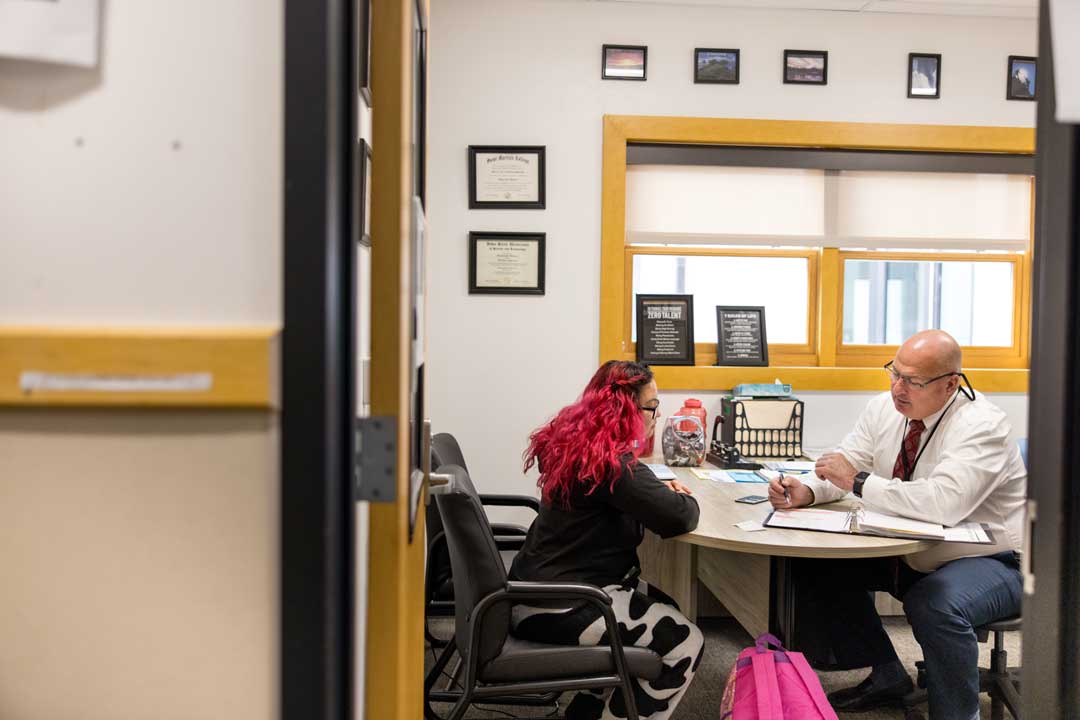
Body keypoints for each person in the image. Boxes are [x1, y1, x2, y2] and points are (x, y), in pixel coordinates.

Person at [767, 330, 1025, 720]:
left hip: (994, 558)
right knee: (815, 561)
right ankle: (887, 673)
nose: (898, 388)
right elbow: (847, 463)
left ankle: (957, 714)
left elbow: (943, 504)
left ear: (951, 384)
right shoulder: (885, 409)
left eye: (913, 381)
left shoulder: (983, 425)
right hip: (915, 547)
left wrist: (857, 481)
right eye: (895, 373)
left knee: (935, 603)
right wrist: (808, 490)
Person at [509, 360, 703, 720]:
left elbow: (630, 493)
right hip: (562, 605)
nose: (656, 415)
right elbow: (680, 517)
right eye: (652, 406)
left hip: (534, 591)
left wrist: (654, 490)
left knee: (666, 606)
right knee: (685, 642)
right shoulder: (612, 464)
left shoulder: (582, 447)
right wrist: (681, 497)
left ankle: (585, 713)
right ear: (627, 410)